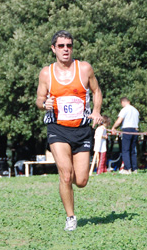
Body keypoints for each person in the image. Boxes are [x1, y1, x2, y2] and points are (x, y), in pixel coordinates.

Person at [36, 30, 103, 232]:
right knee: (65, 175)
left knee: (80, 180)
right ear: (53, 49)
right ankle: (71, 217)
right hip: (57, 129)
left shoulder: (84, 69)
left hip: (81, 129)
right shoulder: (46, 73)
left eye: (69, 45)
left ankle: (71, 180)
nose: (66, 49)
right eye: (61, 46)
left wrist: (97, 111)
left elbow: (96, 91)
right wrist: (43, 103)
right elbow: (39, 99)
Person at [111, 97, 140, 174]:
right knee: (133, 150)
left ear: (122, 102)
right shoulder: (135, 110)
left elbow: (119, 120)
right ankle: (134, 169)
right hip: (135, 130)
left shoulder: (125, 109)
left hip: (127, 130)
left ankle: (127, 169)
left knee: (125, 150)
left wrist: (113, 127)